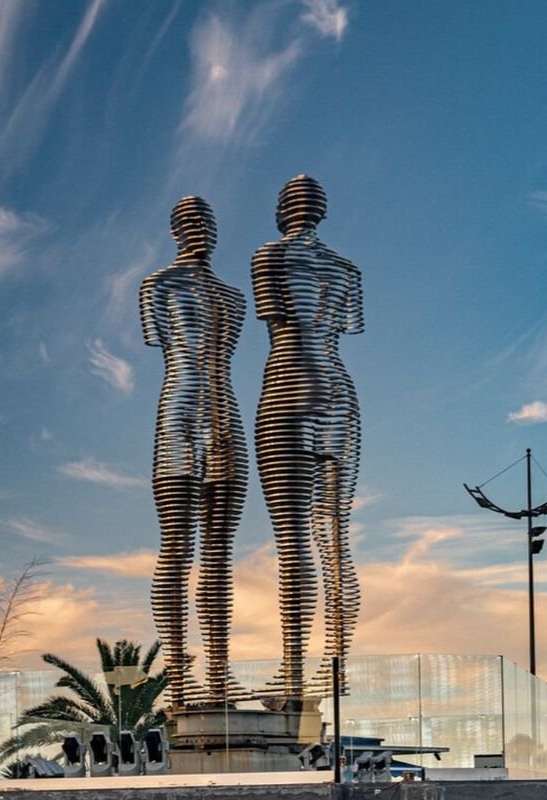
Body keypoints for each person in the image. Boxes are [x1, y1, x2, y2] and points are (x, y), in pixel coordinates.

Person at [253, 175, 363, 698]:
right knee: (336, 536)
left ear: (283, 210)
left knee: (293, 537)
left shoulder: (269, 257)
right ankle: (336, 665)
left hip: (288, 386)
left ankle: (295, 668)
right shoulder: (346, 269)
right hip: (339, 390)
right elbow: (348, 326)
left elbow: (275, 320)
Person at [140, 196, 248, 706]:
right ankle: (181, 677)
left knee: (219, 554)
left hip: (226, 415)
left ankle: (220, 673)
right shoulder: (157, 286)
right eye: (189, 221)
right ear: (174, 230)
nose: (201, 228)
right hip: (179, 415)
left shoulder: (234, 296)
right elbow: (162, 343)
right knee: (177, 546)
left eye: (208, 221)